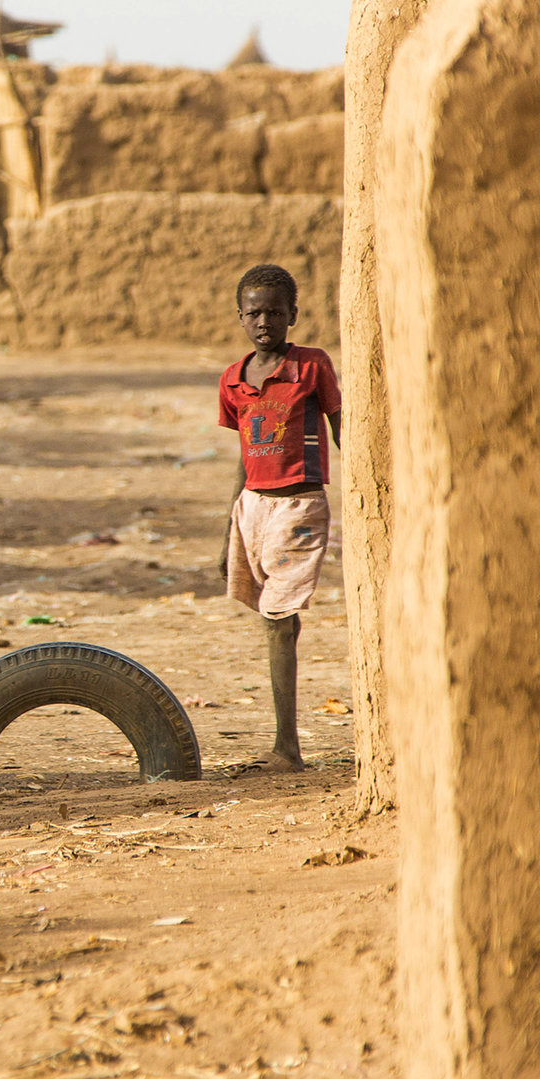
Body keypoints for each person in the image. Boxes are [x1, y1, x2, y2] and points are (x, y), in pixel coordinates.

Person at [218, 263, 342, 774]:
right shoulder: (233, 379)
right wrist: (227, 525)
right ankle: (284, 744)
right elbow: (244, 453)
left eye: (274, 311)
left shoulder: (311, 367)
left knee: (278, 623)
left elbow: (342, 426)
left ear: (293, 314)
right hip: (252, 506)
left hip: (299, 504)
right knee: (269, 617)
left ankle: (286, 748)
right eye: (254, 313)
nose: (264, 321)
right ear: (240, 318)